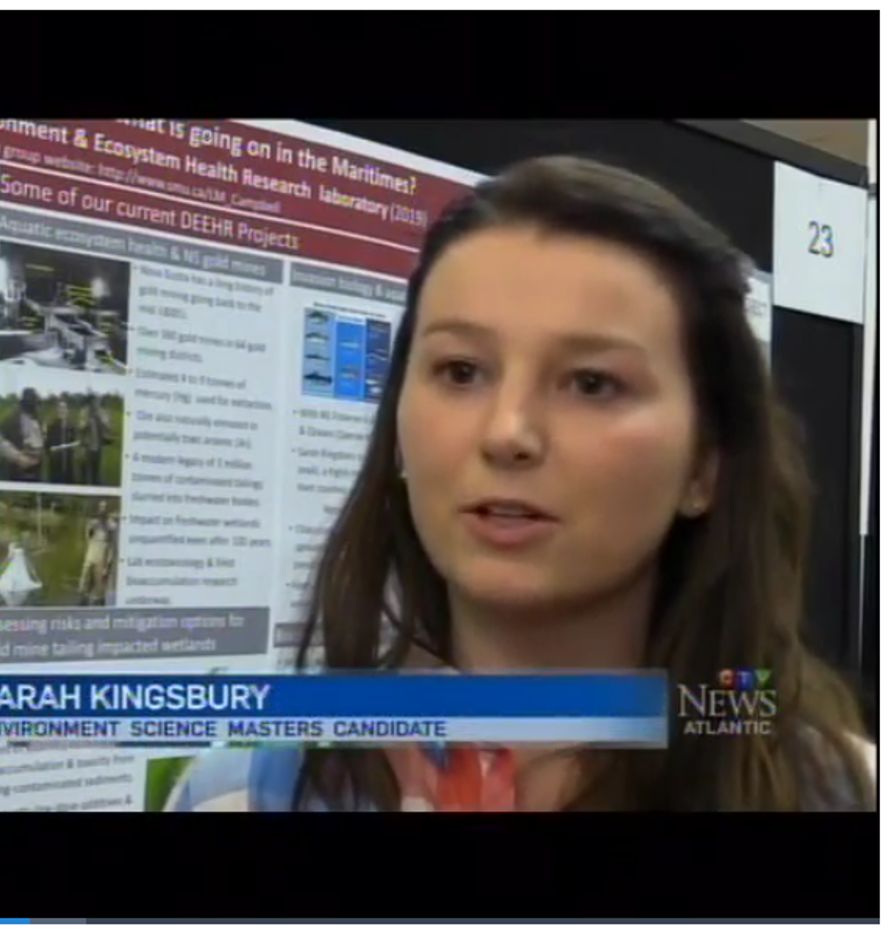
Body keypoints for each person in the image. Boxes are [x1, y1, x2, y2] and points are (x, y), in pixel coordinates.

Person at [168, 156, 876, 813]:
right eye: (461, 372)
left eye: (592, 383)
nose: (506, 432)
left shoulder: (846, 797)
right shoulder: (242, 797)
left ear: (703, 467)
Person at [0, 388, 45, 482]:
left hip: (34, 467)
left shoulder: (37, 420)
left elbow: (40, 441)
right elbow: (1, 440)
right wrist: (18, 457)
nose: (38, 407)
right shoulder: (12, 419)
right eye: (35, 403)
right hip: (15, 470)